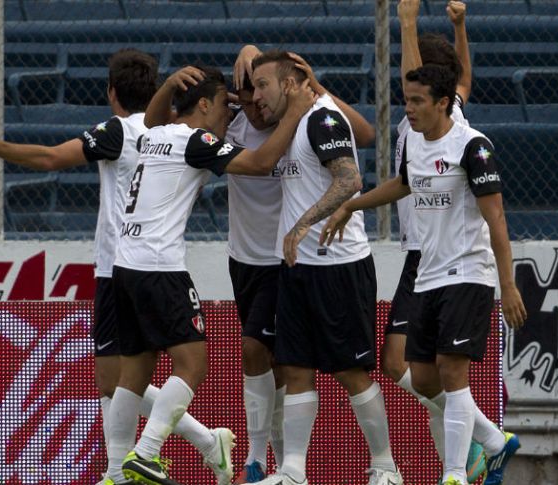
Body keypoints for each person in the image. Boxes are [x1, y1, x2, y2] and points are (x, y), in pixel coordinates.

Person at [0, 49, 236, 485]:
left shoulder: (122, 130)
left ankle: (145, 460)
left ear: (112, 93)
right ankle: (146, 461)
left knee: (120, 376)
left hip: (119, 266)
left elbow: (51, 158)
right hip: (142, 264)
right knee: (116, 377)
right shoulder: (172, 131)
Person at [144, 49, 376, 484]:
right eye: (245, 100)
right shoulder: (230, 125)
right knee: (273, 362)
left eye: (261, 94)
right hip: (243, 259)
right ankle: (281, 465)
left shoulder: (300, 117)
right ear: (234, 101)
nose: (256, 107)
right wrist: (170, 85)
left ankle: (259, 460)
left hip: (281, 258)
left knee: (259, 350)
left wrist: (314, 87)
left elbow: (362, 133)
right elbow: (155, 130)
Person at [106, 64, 316, 485]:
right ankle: (146, 454)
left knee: (134, 373)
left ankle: (116, 473)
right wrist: (294, 112)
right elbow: (259, 163)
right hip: (159, 266)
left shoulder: (152, 133)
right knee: (193, 363)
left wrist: (167, 86)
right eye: (225, 106)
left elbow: (150, 117)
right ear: (203, 104)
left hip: (122, 265)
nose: (232, 116)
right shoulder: (195, 141)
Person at [320, 63, 527, 485]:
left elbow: (497, 219)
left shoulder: (473, 147)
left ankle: (452, 474)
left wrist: (507, 285)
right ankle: (493, 440)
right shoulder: (415, 142)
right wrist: (352, 204)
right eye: (406, 100)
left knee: (452, 371)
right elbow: (403, 184)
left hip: (469, 271)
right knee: (426, 376)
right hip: (428, 275)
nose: (409, 109)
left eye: (417, 101)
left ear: (443, 102)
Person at [241, 50, 404, 485]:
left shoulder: (321, 118)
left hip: (337, 265)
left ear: (291, 84)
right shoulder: (290, 123)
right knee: (295, 368)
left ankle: (385, 466)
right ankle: (293, 470)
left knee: (349, 370)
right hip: (297, 267)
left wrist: (302, 224)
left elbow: (350, 180)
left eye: (264, 86)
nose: (257, 96)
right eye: (254, 87)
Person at [382, 1, 485, 482]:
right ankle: (480, 442)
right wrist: (460, 25)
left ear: (432, 92)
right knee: (420, 374)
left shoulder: (429, 118)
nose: (408, 92)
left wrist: (406, 22)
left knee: (410, 365)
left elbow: (414, 73)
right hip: (418, 248)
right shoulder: (448, 108)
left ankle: (469, 452)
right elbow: (464, 77)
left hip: (433, 251)